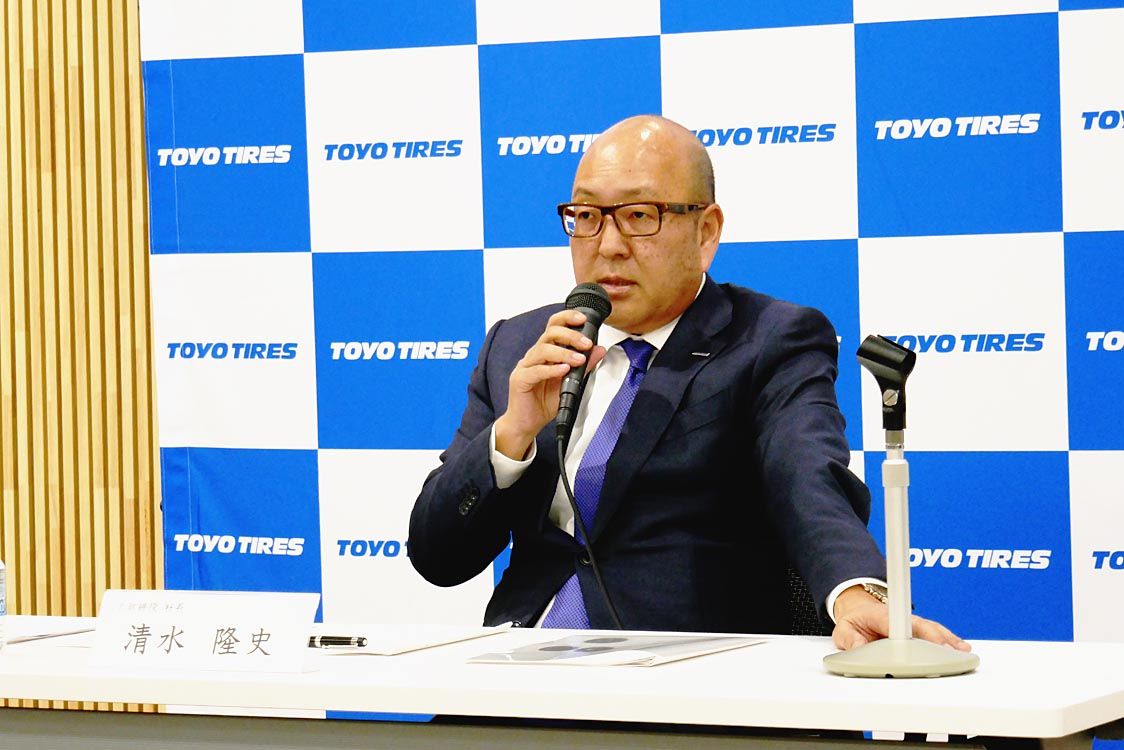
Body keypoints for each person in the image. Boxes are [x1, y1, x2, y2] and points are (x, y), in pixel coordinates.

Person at [408, 115, 969, 652]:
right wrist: (512, 434)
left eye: (639, 215)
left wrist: (856, 591)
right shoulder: (519, 346)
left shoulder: (769, 340)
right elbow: (438, 558)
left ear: (706, 231)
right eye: (587, 216)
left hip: (688, 673)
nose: (608, 244)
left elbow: (805, 476)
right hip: (522, 669)